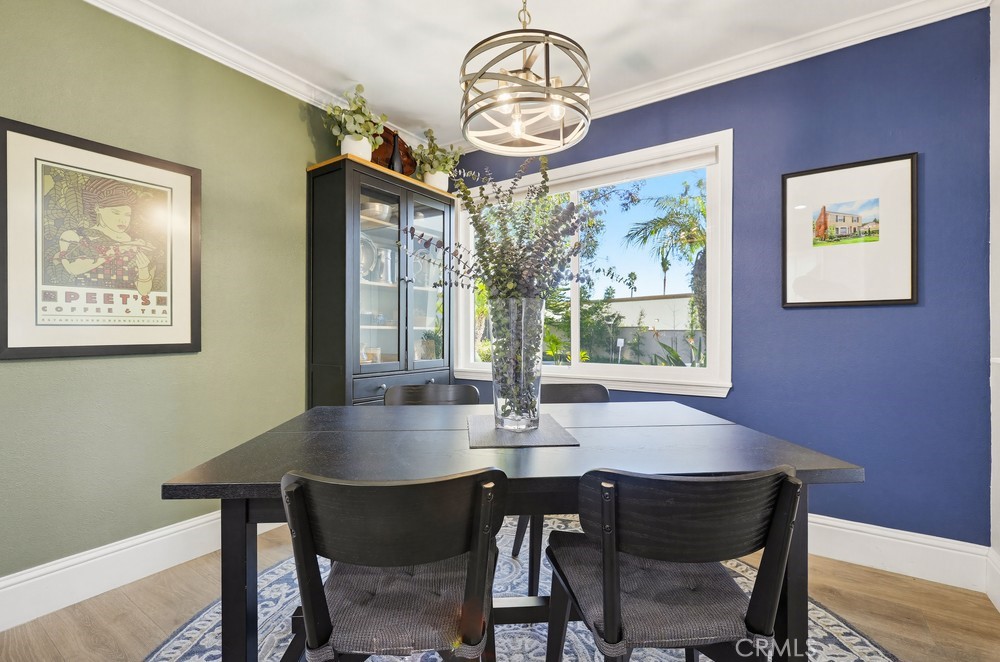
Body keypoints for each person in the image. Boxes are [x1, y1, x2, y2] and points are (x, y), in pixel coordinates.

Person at [55, 178, 158, 296]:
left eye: (127, 214)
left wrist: (143, 268)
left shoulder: (135, 242)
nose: (122, 220)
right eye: (116, 212)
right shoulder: (74, 236)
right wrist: (120, 248)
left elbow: (144, 292)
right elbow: (73, 268)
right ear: (97, 208)